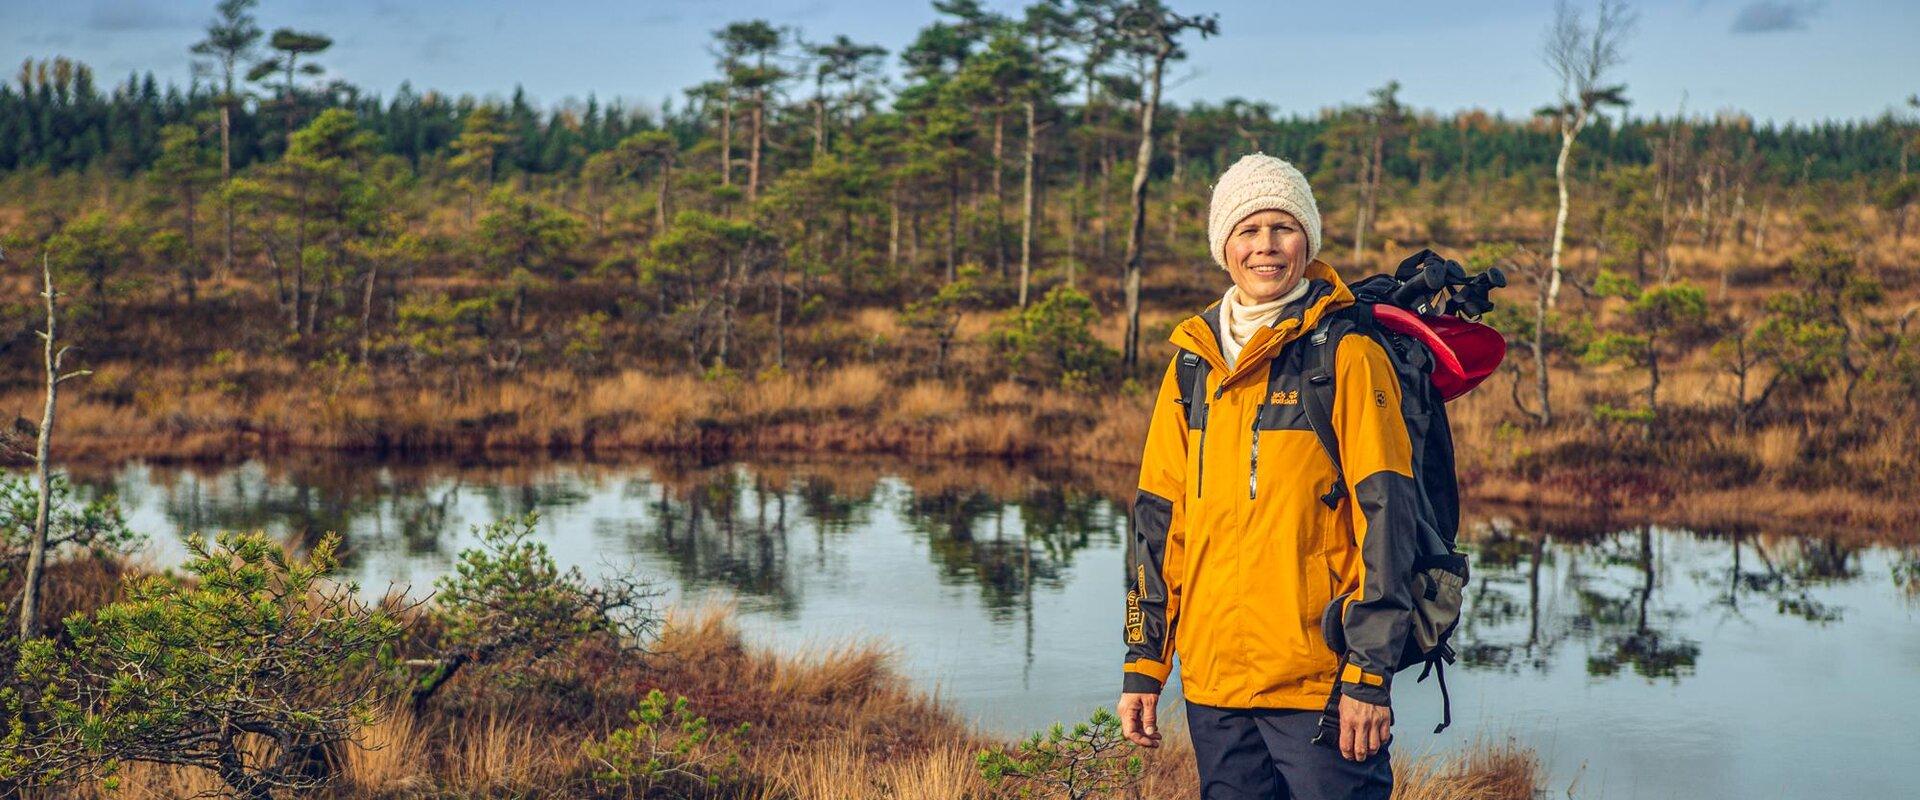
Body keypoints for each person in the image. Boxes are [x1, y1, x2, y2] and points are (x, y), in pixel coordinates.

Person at [1116, 153, 1419, 799]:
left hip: (1320, 682)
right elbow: (1157, 524)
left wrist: (1369, 674)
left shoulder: (1346, 355)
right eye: (1247, 230)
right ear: (1222, 244)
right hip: (1215, 684)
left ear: (1307, 240)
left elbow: (1389, 520)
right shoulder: (1193, 364)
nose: (1265, 247)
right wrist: (1145, 663)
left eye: (1282, 228)